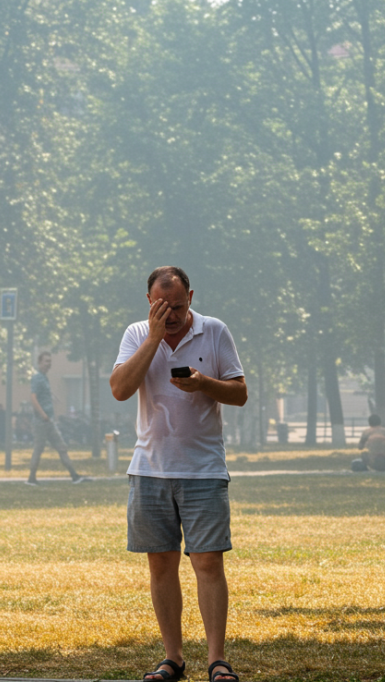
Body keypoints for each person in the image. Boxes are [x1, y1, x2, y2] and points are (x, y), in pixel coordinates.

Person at [109, 266, 247, 682]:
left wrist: (205, 383)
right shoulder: (137, 334)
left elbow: (240, 393)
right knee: (161, 566)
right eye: (161, 307)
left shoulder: (215, 331)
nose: (170, 315)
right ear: (149, 303)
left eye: (179, 306)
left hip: (203, 470)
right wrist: (153, 340)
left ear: (192, 296)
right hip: (150, 469)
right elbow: (119, 389)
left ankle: (217, 660)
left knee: (208, 563)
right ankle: (173, 658)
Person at [26, 351, 85, 485]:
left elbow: (44, 393)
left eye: (50, 361)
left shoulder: (44, 378)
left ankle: (74, 476)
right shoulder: (37, 378)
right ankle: (31, 479)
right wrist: (44, 415)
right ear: (40, 362)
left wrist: (53, 398)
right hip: (42, 422)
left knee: (61, 447)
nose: (49, 364)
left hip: (49, 421)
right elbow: (33, 398)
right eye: (46, 361)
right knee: (38, 449)